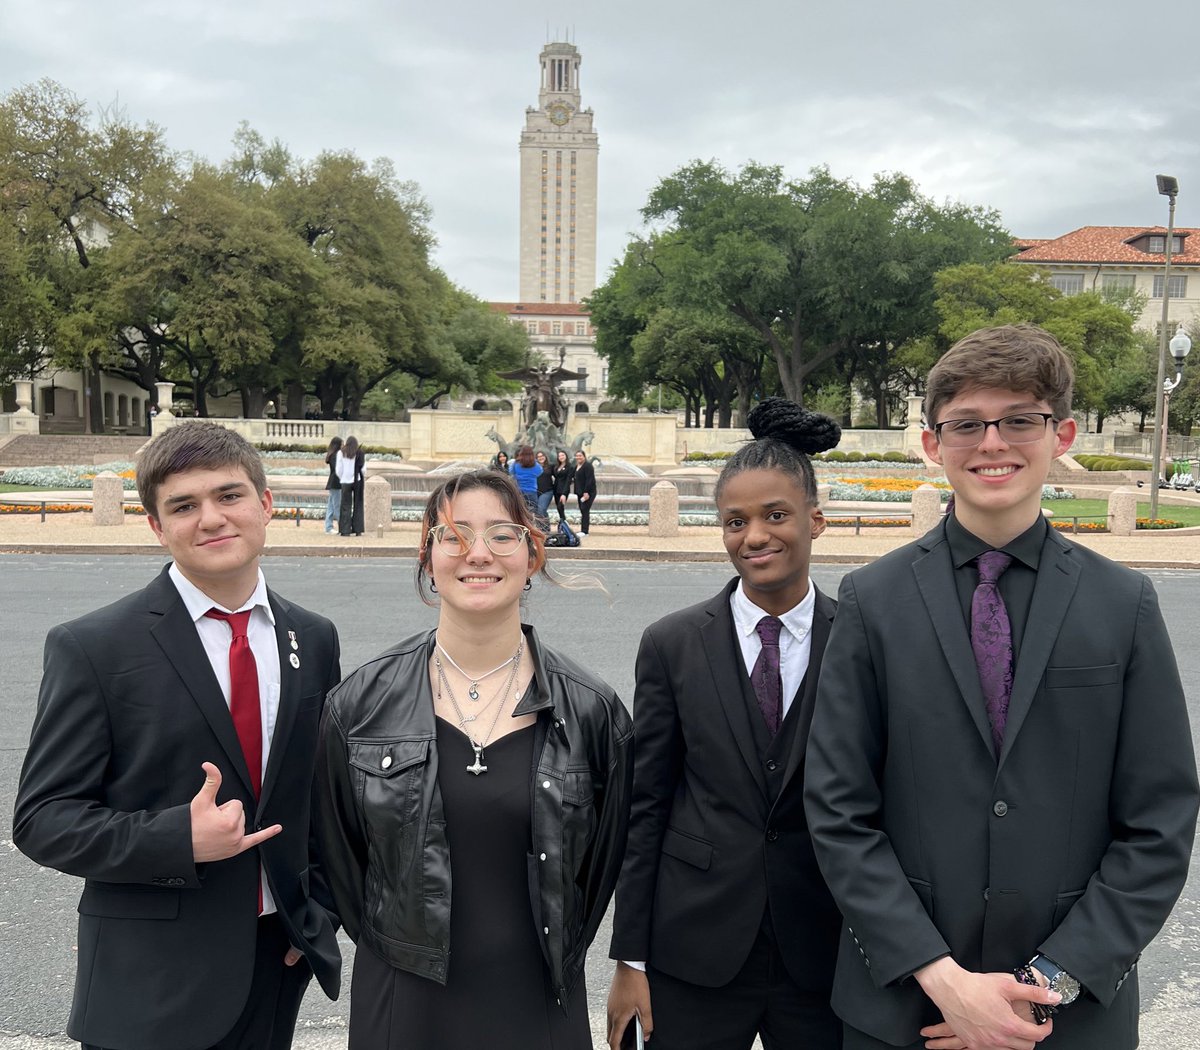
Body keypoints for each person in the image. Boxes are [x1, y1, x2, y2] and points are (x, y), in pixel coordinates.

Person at [804, 324, 1200, 1050]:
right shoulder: (872, 600)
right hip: (905, 1012)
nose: (993, 443)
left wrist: (1046, 987)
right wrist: (944, 979)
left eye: (1020, 419)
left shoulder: (1125, 604)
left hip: (1072, 1019)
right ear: (932, 444)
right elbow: (838, 810)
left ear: (1063, 434)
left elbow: (1161, 819)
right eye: (967, 424)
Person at [13, 421, 343, 1050]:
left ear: (266, 504)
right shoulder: (95, 646)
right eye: (184, 506)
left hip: (277, 961)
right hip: (149, 983)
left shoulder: (313, 636)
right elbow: (42, 820)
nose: (212, 519)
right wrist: (177, 839)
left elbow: (317, 792)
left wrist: (318, 911)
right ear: (157, 527)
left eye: (229, 496)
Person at [315, 468, 633, 1049]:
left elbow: (603, 865)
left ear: (532, 553)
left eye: (502, 534)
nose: (477, 554)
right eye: (454, 535)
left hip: (538, 1002)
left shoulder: (593, 712)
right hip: (404, 1003)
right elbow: (341, 860)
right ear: (427, 558)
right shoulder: (360, 705)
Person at [607, 399, 843, 1050]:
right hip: (695, 951)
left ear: (815, 520)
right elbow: (646, 805)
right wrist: (631, 958)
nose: (755, 536)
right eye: (735, 521)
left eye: (776, 515)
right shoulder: (672, 644)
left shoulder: (859, 640)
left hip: (823, 952)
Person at [336, 435, 365, 537]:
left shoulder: (341, 453)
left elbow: (338, 469)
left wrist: (342, 477)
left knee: (345, 506)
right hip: (357, 480)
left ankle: (345, 530)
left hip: (345, 481)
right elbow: (363, 469)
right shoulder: (359, 453)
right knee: (358, 505)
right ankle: (358, 529)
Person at [509, 443, 542, 518]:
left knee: (520, 513)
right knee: (534, 513)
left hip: (520, 491)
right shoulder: (535, 464)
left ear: (521, 453)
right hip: (532, 491)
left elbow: (511, 472)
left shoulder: (516, 463)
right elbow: (540, 472)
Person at [573, 449, 596, 535]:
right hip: (580, 492)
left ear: (584, 456)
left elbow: (590, 479)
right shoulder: (577, 466)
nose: (578, 457)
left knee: (585, 510)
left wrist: (586, 492)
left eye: (580, 456)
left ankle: (585, 531)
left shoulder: (588, 466)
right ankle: (584, 530)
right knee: (583, 510)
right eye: (577, 456)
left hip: (588, 492)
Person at [324, 435, 343, 534]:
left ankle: (328, 527)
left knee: (331, 506)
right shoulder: (336, 455)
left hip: (333, 482)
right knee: (336, 506)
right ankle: (342, 526)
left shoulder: (332, 455)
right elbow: (338, 469)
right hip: (336, 483)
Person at [552, 448, 574, 522]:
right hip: (556, 489)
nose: (561, 457)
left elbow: (568, 480)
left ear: (566, 456)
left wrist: (564, 494)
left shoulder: (570, 467)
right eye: (559, 456)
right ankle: (562, 524)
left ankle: (564, 523)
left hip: (563, 490)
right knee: (559, 508)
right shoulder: (557, 466)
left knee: (560, 507)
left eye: (563, 455)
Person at [534, 449, 555, 525]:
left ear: (545, 457)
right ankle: (543, 528)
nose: (540, 458)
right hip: (536, 492)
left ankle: (543, 528)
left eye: (542, 456)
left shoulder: (551, 466)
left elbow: (559, 476)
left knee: (541, 509)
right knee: (538, 511)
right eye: (538, 456)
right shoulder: (534, 467)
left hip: (547, 491)